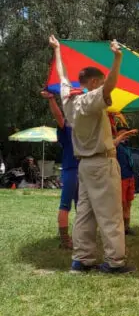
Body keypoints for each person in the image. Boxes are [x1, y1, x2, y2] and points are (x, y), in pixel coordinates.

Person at [50, 35, 133, 274]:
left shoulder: (68, 99)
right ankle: (115, 261)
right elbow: (111, 86)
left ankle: (82, 259)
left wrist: (57, 50)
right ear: (95, 82)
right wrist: (117, 57)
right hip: (102, 163)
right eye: (101, 80)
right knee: (110, 213)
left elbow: (62, 75)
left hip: (83, 166)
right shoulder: (90, 99)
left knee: (85, 213)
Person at [42, 90, 77, 249]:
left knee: (78, 207)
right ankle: (67, 240)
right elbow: (58, 116)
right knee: (69, 206)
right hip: (73, 171)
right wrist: (51, 99)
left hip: (80, 171)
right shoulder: (69, 129)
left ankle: (75, 238)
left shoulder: (78, 129)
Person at [114, 128, 139, 236]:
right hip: (121, 178)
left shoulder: (126, 147)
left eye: (127, 134)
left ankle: (127, 227)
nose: (126, 136)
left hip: (130, 178)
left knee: (128, 203)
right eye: (123, 134)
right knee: (122, 203)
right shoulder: (116, 146)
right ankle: (120, 227)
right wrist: (125, 133)